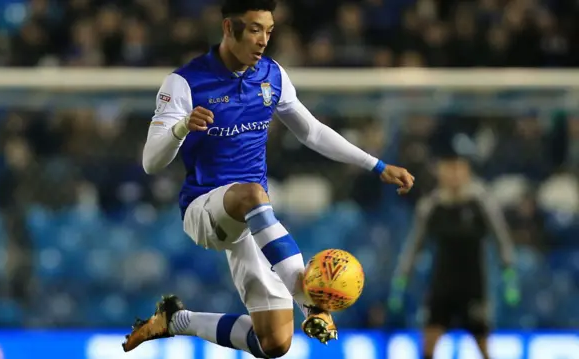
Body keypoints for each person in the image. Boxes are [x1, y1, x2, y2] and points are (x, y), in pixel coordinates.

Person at [121, 0, 415, 357]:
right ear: (229, 29)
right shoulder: (185, 82)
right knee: (253, 193)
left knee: (273, 343)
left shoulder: (272, 75)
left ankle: (175, 320)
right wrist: (182, 126)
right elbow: (151, 162)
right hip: (205, 210)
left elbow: (313, 133)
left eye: (269, 31)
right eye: (256, 29)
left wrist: (378, 166)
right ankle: (311, 305)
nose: (264, 40)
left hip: (253, 219)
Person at [389, 153, 520, 359]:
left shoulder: (480, 202)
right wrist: (401, 279)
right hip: (442, 284)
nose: (454, 175)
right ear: (440, 172)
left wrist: (509, 273)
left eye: (459, 168)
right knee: (429, 347)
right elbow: (414, 245)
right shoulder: (432, 205)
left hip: (474, 284)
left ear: (467, 171)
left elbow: (501, 239)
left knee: (483, 347)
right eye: (449, 169)